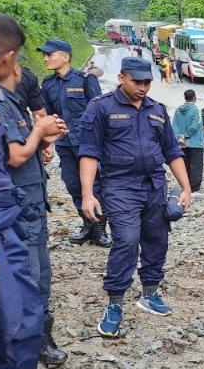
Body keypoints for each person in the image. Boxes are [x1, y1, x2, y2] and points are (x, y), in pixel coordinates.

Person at [0, 12, 69, 369]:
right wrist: (38, 135)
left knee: (20, 299)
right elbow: (11, 156)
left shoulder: (10, 101)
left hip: (14, 214)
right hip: (3, 219)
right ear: (8, 57)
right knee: (15, 305)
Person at [78, 57, 192, 337]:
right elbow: (89, 152)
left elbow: (172, 152)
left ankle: (149, 293)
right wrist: (87, 194)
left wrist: (186, 188)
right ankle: (115, 303)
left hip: (154, 184)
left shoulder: (157, 110)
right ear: (121, 77)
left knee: (157, 239)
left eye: (147, 82)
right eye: (137, 81)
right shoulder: (101, 107)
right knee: (127, 240)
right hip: (119, 185)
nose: (143, 87)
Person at [39, 38, 109, 247]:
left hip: (89, 144)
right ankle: (87, 224)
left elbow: (101, 112)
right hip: (65, 145)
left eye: (49, 54)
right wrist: (48, 144)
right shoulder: (48, 84)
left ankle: (100, 229)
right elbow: (49, 118)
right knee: (73, 184)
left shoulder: (86, 80)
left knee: (95, 185)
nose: (45, 58)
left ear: (65, 57)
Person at [172, 89, 204, 193]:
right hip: (195, 142)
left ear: (184, 97)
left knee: (185, 164)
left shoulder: (178, 110)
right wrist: (186, 135)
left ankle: (185, 185)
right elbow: (196, 125)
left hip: (182, 143)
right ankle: (194, 187)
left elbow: (174, 125)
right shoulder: (196, 110)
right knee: (196, 165)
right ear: (194, 98)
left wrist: (179, 136)